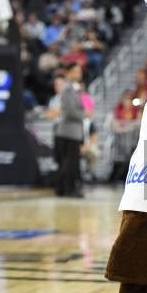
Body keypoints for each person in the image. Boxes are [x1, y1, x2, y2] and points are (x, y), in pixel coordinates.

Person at [55, 62, 86, 197]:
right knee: (69, 163)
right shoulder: (68, 88)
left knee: (68, 163)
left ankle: (63, 189)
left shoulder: (72, 88)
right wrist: (84, 114)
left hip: (71, 132)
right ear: (70, 73)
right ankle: (68, 190)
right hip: (69, 133)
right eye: (77, 71)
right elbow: (69, 111)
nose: (79, 74)